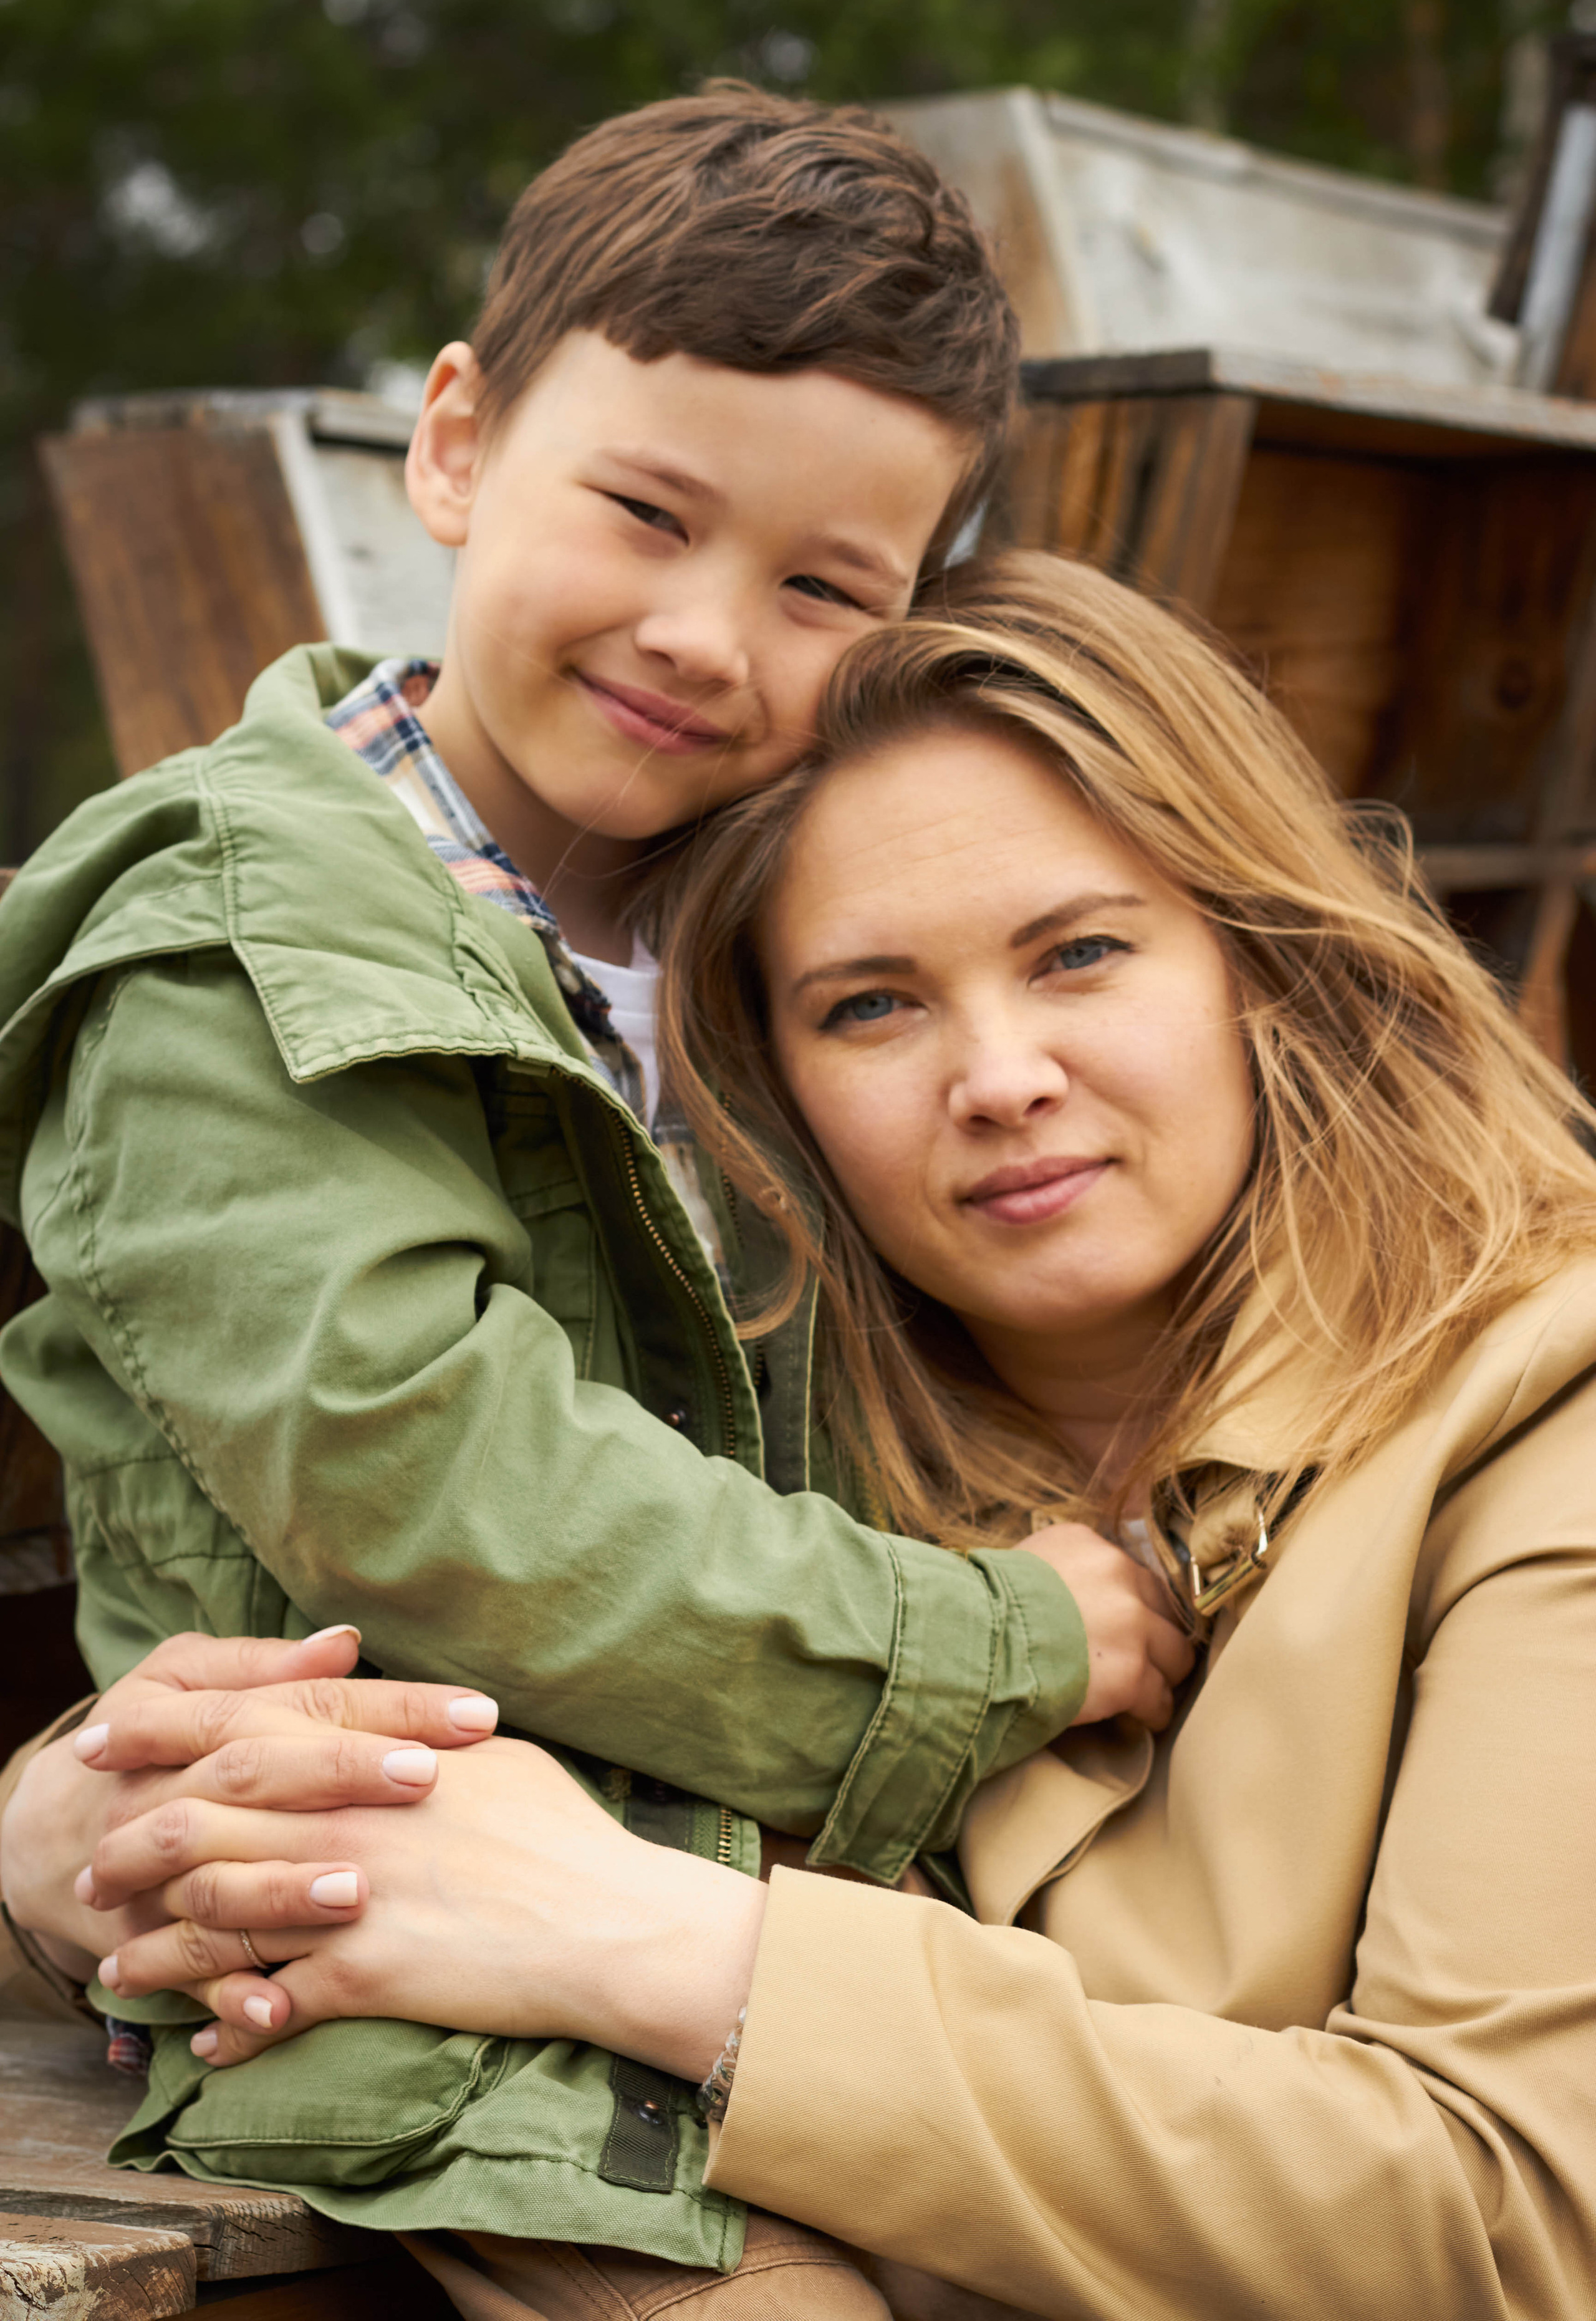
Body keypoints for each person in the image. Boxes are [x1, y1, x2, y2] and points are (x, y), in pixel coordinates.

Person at [26, 547, 1596, 2320]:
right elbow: (425, 1718)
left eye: (1079, 953)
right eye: (873, 1003)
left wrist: (659, 1949)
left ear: (1260, 958)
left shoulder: (1540, 1412)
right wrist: (57, 1844)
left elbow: (1510, 2224)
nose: (998, 1075)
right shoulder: (768, 1463)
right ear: (760, 1087)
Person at [0, 89, 1186, 2284]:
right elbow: (423, 1494)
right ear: (454, 446)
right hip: (415, 1992)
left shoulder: (773, 942)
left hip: (786, 1918)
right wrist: (988, 1638)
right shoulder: (234, 954)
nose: (705, 638)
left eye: (825, 585)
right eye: (644, 512)